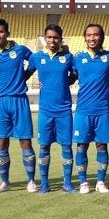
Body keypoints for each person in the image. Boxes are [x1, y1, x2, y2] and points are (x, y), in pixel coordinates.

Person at [0, 18, 37, 193]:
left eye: (1, 32)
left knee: (25, 142)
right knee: (1, 143)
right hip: (0, 102)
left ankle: (31, 181)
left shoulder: (19, 50)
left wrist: (24, 76)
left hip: (19, 100)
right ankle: (5, 182)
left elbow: (35, 61)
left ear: (7, 33)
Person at [26, 24, 77, 193]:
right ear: (44, 38)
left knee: (66, 146)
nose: (52, 40)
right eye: (49, 37)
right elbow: (25, 74)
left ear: (60, 39)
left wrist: (63, 83)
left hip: (64, 111)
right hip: (45, 111)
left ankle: (67, 183)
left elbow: (74, 75)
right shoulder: (36, 57)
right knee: (43, 147)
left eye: (55, 37)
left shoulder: (68, 57)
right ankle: (45, 183)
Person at [72, 23, 109, 194]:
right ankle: (83, 182)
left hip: (102, 111)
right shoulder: (77, 58)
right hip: (83, 111)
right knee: (81, 146)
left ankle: (100, 181)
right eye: (89, 35)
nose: (92, 38)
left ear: (102, 37)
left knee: (101, 146)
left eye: (96, 35)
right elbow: (65, 75)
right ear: (85, 37)